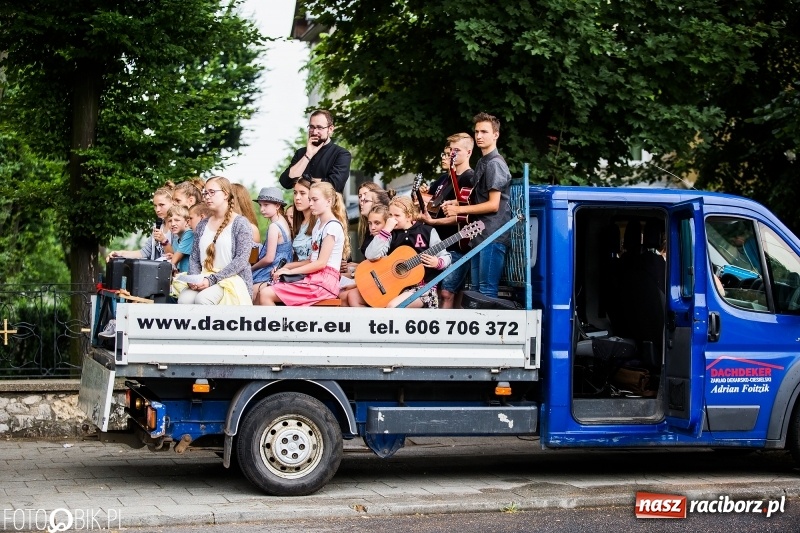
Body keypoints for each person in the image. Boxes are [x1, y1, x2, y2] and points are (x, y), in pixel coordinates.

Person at [443, 112, 512, 298]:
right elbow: (477, 197)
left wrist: (459, 209)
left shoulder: (495, 164)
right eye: (476, 132)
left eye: (484, 132)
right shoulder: (483, 161)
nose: (479, 136)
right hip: (479, 234)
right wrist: (455, 201)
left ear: (495, 135)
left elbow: (493, 205)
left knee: (486, 292)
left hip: (492, 235)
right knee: (475, 292)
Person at [258, 182, 350, 306]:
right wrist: (287, 267)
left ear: (329, 201)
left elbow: (321, 263)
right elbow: (311, 260)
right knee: (270, 286)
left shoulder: (332, 226)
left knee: (266, 293)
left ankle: (282, 325)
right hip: (316, 278)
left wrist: (290, 272)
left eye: (315, 200)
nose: (311, 203)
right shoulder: (318, 225)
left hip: (324, 282)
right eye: (310, 199)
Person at [349, 196, 451, 308]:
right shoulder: (390, 234)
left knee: (393, 306)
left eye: (397, 216)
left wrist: (438, 262)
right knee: (353, 297)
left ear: (409, 216)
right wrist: (386, 230)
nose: (393, 219)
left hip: (423, 289)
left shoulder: (427, 231)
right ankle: (374, 324)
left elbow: (446, 256)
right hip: (393, 285)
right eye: (390, 216)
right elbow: (371, 255)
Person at [177, 176, 254, 305]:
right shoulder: (203, 225)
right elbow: (195, 257)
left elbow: (241, 259)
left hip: (231, 279)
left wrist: (212, 279)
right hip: (204, 277)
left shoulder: (240, 223)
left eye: (212, 192)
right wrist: (194, 278)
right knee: (184, 299)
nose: (207, 196)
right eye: (205, 193)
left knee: (203, 299)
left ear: (225, 194)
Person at [421, 133, 475, 308]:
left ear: (469, 152)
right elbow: (432, 201)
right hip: (438, 244)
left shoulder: (469, 178)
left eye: (456, 150)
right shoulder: (445, 179)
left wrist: (433, 222)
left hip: (457, 244)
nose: (452, 154)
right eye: (450, 150)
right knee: (433, 291)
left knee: (447, 292)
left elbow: (463, 217)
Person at [279, 110, 352, 194]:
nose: (314, 132)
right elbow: (285, 182)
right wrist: (308, 155)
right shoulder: (301, 153)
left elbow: (335, 185)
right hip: (301, 207)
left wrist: (305, 180)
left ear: (330, 129)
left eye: (319, 127)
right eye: (311, 127)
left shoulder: (341, 154)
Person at [106, 182, 174, 261]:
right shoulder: (158, 227)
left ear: (172, 203)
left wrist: (163, 241)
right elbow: (144, 252)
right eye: (155, 206)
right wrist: (119, 253)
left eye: (161, 205)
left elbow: (174, 256)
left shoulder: (176, 226)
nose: (157, 210)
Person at [340, 203, 391, 306]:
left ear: (387, 223)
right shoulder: (376, 238)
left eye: (377, 223)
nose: (372, 227)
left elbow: (371, 256)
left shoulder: (386, 238)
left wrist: (355, 283)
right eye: (370, 223)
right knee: (341, 295)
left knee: (349, 296)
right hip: (372, 280)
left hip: (382, 284)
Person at [252, 187, 294, 304]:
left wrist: (252, 268)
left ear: (277, 206)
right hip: (282, 267)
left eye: (266, 205)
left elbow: (269, 258)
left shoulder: (274, 226)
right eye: (260, 205)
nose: (262, 209)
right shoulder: (283, 221)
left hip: (272, 270)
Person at [290, 176, 317, 261]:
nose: (297, 197)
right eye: (295, 193)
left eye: (302, 193)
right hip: (298, 271)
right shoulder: (299, 223)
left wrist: (288, 268)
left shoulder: (319, 222)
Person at [163, 205, 193, 273]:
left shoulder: (189, 234)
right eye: (170, 221)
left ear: (187, 222)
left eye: (177, 220)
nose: (173, 224)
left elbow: (175, 261)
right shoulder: (176, 240)